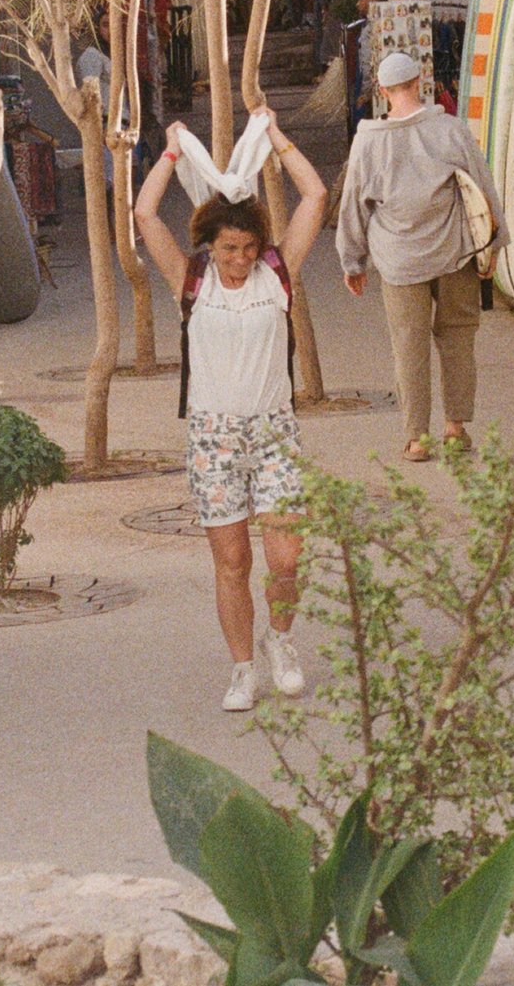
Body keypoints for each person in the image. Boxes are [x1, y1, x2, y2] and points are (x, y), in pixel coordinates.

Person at [133, 106, 329, 712]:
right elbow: (144, 215)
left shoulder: (279, 273)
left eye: (247, 247)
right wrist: (170, 152)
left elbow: (315, 194)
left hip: (274, 434)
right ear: (209, 246)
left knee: (287, 557)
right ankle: (243, 669)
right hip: (213, 441)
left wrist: (275, 137)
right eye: (228, 248)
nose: (239, 259)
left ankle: (282, 641)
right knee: (232, 559)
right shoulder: (191, 279)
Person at [336, 51, 499, 462]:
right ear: (420, 81)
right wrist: (492, 244)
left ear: (382, 90)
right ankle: (455, 428)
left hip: (399, 261)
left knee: (408, 345)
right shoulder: (449, 129)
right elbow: (482, 186)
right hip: (453, 252)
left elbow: (353, 203)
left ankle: (415, 439)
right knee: (458, 337)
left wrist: (351, 261)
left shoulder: (369, 140)